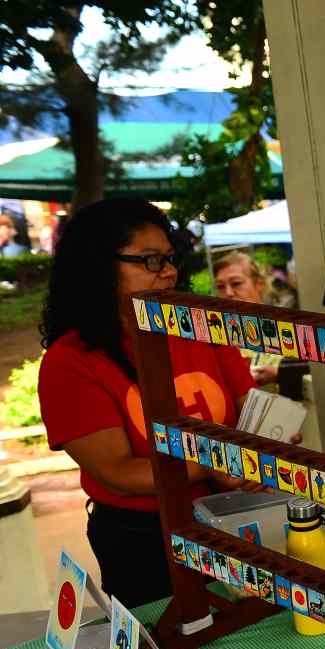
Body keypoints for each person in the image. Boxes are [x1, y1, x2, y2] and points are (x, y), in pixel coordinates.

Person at [37, 199, 259, 608]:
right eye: (151, 261)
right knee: (174, 644)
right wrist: (217, 462)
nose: (170, 272)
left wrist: (267, 444)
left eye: (170, 259)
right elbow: (118, 471)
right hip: (143, 539)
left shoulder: (199, 326)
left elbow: (252, 407)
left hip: (235, 515)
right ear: (99, 267)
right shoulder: (70, 363)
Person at [213, 251, 284, 384]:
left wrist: (281, 375)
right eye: (220, 287)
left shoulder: (285, 327)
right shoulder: (216, 336)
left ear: (259, 284)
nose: (228, 293)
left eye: (236, 283)